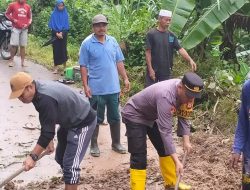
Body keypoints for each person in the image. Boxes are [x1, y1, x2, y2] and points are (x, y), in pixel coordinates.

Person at [9, 72, 97, 190]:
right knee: (60, 157)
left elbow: (47, 131)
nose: (20, 99)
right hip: (68, 120)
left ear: (29, 87)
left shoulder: (45, 97)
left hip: (82, 122)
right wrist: (49, 141)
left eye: (21, 95)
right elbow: (46, 118)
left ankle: (71, 178)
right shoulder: (36, 91)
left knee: (70, 165)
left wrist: (33, 156)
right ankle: (69, 180)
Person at [121, 72, 204, 190]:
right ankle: (137, 188)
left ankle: (171, 183)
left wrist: (186, 140)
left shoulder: (189, 95)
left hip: (152, 115)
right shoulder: (166, 95)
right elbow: (166, 131)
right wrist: (177, 162)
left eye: (193, 97)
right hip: (135, 114)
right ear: (180, 87)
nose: (190, 100)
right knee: (139, 155)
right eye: (188, 96)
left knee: (165, 148)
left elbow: (184, 117)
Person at [79, 14, 130, 157]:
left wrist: (125, 78)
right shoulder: (87, 43)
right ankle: (94, 144)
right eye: (98, 25)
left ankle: (116, 143)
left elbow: (119, 62)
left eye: (104, 25)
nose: (101, 28)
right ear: (93, 27)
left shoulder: (113, 41)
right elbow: (83, 66)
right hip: (96, 89)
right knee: (95, 118)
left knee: (115, 116)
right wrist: (85, 85)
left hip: (113, 88)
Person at [145, 9, 197, 87]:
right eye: (166, 20)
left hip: (166, 71)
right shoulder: (151, 34)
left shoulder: (171, 35)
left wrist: (190, 60)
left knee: (164, 92)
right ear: (160, 19)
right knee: (150, 92)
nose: (168, 22)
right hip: (153, 70)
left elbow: (180, 49)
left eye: (169, 20)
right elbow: (148, 52)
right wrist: (150, 69)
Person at [231, 80, 250, 190]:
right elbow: (243, 121)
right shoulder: (247, 88)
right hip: (249, 156)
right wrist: (237, 148)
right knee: (247, 184)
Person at [5, 0, 32, 67]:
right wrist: (14, 20)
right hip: (15, 28)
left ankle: (23, 62)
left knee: (23, 45)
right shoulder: (12, 5)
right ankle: (11, 60)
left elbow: (30, 17)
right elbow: (7, 14)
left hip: (24, 29)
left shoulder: (27, 6)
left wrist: (28, 24)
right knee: (14, 45)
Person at [48, 0, 69, 74]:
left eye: (62, 6)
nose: (60, 7)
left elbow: (66, 26)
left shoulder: (66, 14)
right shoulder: (53, 14)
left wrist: (62, 33)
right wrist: (56, 33)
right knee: (56, 51)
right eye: (59, 6)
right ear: (57, 6)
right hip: (55, 35)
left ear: (64, 6)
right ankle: (56, 67)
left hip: (63, 35)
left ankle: (65, 68)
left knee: (63, 50)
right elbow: (52, 26)